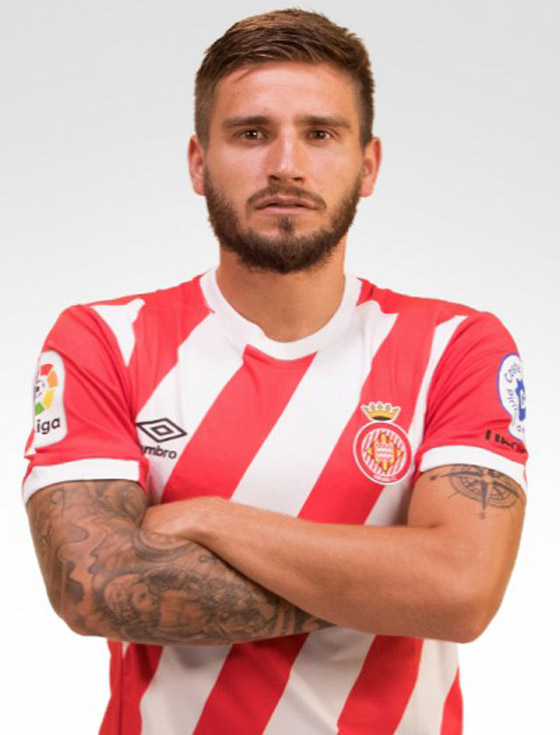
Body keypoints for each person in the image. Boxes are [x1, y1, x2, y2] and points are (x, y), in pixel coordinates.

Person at [24, 8, 528, 735]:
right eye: (251, 133)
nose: (286, 163)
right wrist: (395, 582)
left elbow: (462, 591)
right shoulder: (104, 339)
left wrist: (211, 519)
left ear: (369, 164)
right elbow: (94, 583)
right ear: (199, 162)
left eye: (320, 133)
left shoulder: (457, 346)